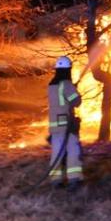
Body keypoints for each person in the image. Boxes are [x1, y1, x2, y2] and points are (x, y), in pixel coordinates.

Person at [48, 56, 83, 190]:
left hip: (55, 126)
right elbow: (76, 102)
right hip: (66, 125)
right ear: (68, 70)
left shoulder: (51, 85)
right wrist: (75, 90)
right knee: (73, 151)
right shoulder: (66, 85)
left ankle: (55, 180)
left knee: (57, 153)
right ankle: (74, 179)